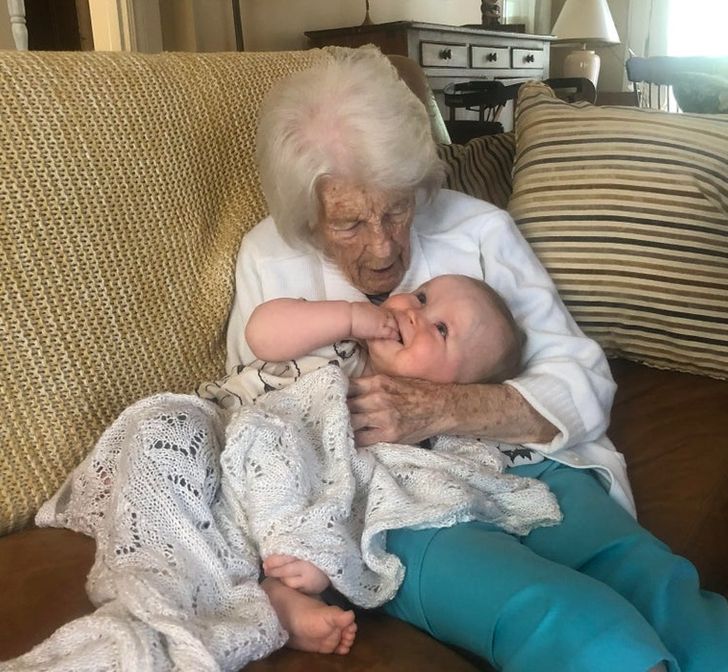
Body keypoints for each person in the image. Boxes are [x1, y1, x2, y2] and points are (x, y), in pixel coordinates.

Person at [223, 46, 728, 671]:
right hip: (397, 501)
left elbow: (581, 376)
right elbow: (257, 416)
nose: (383, 249)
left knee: (652, 577)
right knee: (545, 605)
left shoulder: (480, 231)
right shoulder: (270, 259)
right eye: (350, 225)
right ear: (306, 215)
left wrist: (448, 407)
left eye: (398, 208)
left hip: (523, 464)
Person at [207, 274, 561, 653]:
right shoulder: (338, 339)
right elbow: (261, 332)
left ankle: (284, 595)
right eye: (422, 297)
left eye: (440, 329)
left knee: (363, 493)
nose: (413, 313)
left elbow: (365, 504)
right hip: (229, 442)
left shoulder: (416, 435)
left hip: (278, 514)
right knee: (281, 445)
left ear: (452, 388)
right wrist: (349, 317)